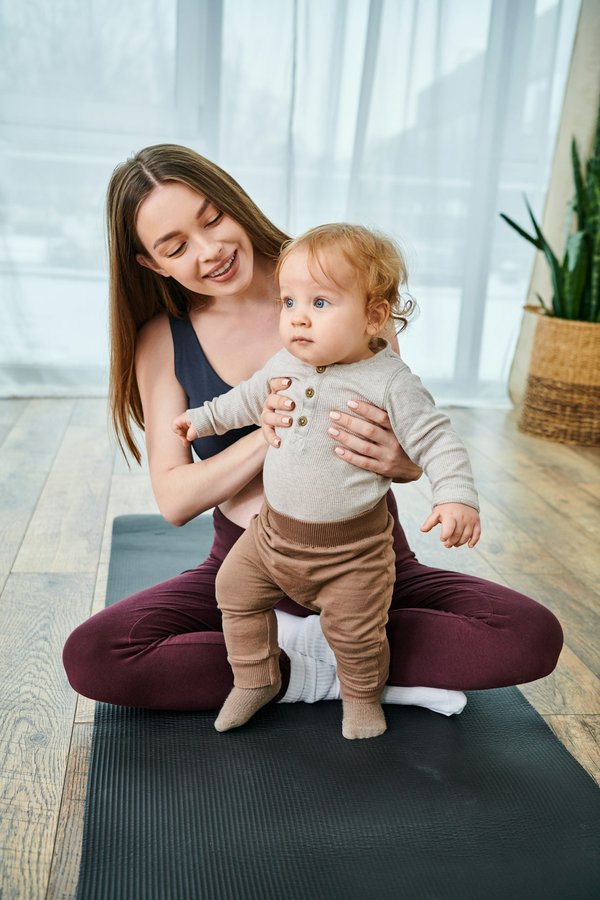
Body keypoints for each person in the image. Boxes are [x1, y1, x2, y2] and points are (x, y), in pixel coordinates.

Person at [62, 144, 563, 726]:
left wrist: (404, 463)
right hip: (250, 562)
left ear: (233, 203)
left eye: (212, 219)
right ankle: (328, 667)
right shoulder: (162, 340)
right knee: (96, 656)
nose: (211, 251)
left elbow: (406, 441)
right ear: (153, 265)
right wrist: (268, 430)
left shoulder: (334, 282)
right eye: (175, 247)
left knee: (530, 636)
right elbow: (174, 498)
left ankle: (331, 653)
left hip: (366, 557)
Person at [173, 223, 481, 739]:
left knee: (358, 634)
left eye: (320, 304)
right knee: (233, 589)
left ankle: (361, 697)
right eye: (288, 301)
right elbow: (245, 400)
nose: (297, 317)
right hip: (272, 538)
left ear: (373, 317)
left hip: (353, 553)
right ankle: (257, 678)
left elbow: (437, 439)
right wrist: (202, 419)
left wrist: (455, 498)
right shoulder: (284, 363)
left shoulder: (390, 382)